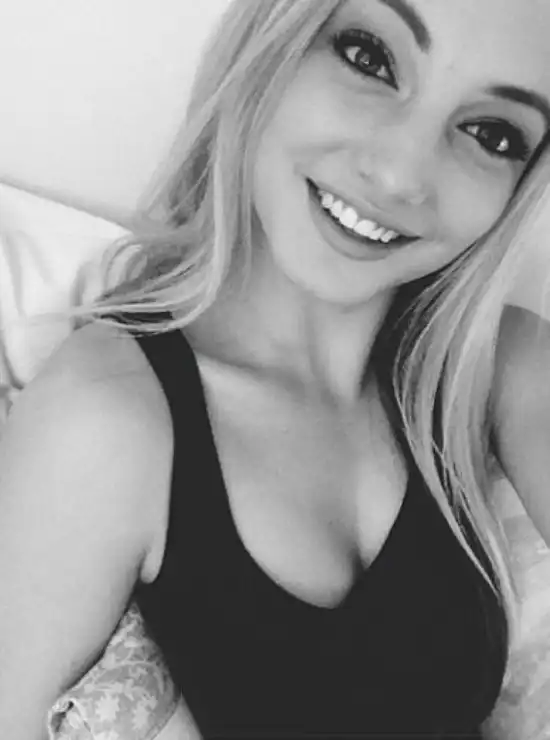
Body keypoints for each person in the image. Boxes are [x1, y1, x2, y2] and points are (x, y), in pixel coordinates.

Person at [1, 0, 550, 737]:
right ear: (272, 47)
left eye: (492, 133)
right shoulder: (104, 420)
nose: (399, 174)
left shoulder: (497, 368)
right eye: (369, 58)